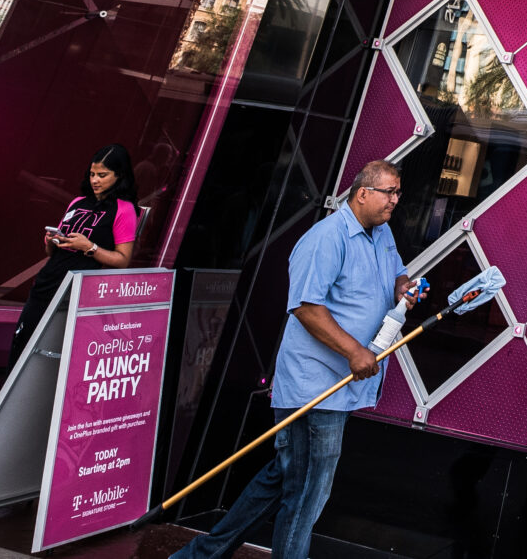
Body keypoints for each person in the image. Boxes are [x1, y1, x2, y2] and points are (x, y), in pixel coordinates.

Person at [176, 161, 420, 559]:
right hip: (316, 385)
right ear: (362, 192)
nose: (396, 200)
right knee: (308, 491)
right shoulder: (326, 238)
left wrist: (404, 288)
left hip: (342, 386)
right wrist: (355, 351)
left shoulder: (383, 233)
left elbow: (396, 274)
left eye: (397, 192)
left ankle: (200, 555)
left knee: (287, 477)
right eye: (389, 192)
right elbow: (307, 308)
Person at [8, 143, 139, 368]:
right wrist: (52, 241)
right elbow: (52, 252)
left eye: (102, 175)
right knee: (22, 345)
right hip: (46, 283)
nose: (95, 180)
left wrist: (90, 247)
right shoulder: (78, 202)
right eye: (92, 174)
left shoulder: (124, 210)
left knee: (56, 355)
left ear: (119, 175)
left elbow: (123, 260)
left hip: (78, 292)